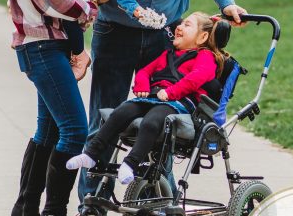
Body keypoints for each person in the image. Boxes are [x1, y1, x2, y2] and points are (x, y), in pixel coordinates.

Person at [74, 0, 247, 216]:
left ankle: (158, 206)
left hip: (165, 35)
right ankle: (91, 211)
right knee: (105, 117)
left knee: (163, 122)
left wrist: (226, 1)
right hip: (115, 30)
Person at [8, 0, 97, 216]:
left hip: (57, 46)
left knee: (49, 130)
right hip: (39, 46)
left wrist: (83, 7)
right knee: (76, 131)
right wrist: (88, 9)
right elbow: (54, 0)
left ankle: (26, 210)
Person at [66, 12, 229, 183]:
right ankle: (91, 154)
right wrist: (142, 85)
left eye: (187, 25)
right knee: (121, 111)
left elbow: (197, 77)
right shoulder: (167, 55)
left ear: (202, 37)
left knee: (151, 122)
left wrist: (171, 92)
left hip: (179, 103)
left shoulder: (205, 57)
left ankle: (130, 164)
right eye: (181, 24)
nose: (179, 27)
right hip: (154, 98)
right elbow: (145, 71)